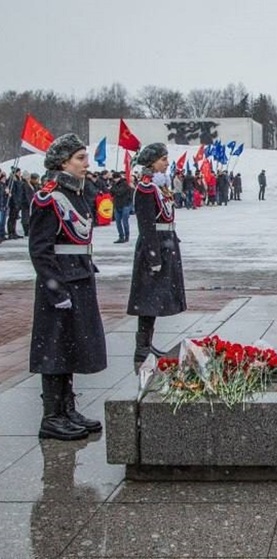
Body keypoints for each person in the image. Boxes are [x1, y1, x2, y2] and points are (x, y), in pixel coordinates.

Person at [28, 133, 106, 440]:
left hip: (79, 278)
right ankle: (51, 416)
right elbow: (40, 249)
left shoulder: (75, 192)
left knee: (72, 345)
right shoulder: (48, 197)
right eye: (80, 158)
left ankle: (67, 408)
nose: (87, 164)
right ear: (63, 162)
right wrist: (56, 290)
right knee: (54, 348)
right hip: (60, 282)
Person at [127, 143, 187, 371]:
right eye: (163, 159)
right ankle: (142, 348)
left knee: (155, 299)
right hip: (154, 248)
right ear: (152, 162)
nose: (166, 162)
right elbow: (146, 225)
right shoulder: (145, 189)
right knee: (147, 299)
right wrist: (154, 257)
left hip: (166, 245)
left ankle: (147, 344)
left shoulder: (159, 187)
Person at [110, 171, 133, 243]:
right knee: (118, 222)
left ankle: (127, 236)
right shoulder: (114, 184)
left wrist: (114, 190)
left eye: (116, 178)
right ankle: (121, 236)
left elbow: (120, 192)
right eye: (114, 178)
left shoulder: (124, 184)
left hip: (125, 204)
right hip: (117, 205)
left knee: (125, 221)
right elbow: (111, 192)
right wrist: (114, 190)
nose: (115, 180)